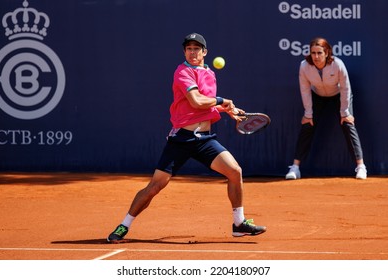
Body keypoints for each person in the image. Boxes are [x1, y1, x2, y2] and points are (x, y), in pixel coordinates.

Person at [107, 32, 267, 243]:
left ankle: (239, 223)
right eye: (189, 49)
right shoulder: (182, 71)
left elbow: (207, 103)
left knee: (235, 171)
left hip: (205, 139)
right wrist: (223, 100)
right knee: (155, 186)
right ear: (185, 52)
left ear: (204, 52)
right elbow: (196, 101)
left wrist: (228, 110)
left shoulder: (209, 72)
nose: (192, 52)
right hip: (182, 138)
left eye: (196, 49)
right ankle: (124, 225)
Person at [286, 37, 367, 180]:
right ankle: (295, 168)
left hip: (339, 95)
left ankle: (361, 166)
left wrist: (345, 112)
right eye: (313, 53)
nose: (316, 57)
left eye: (319, 53)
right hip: (317, 96)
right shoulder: (304, 66)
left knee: (348, 124)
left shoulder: (337, 64)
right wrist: (308, 113)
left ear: (327, 53)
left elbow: (346, 88)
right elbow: (305, 90)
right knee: (307, 124)